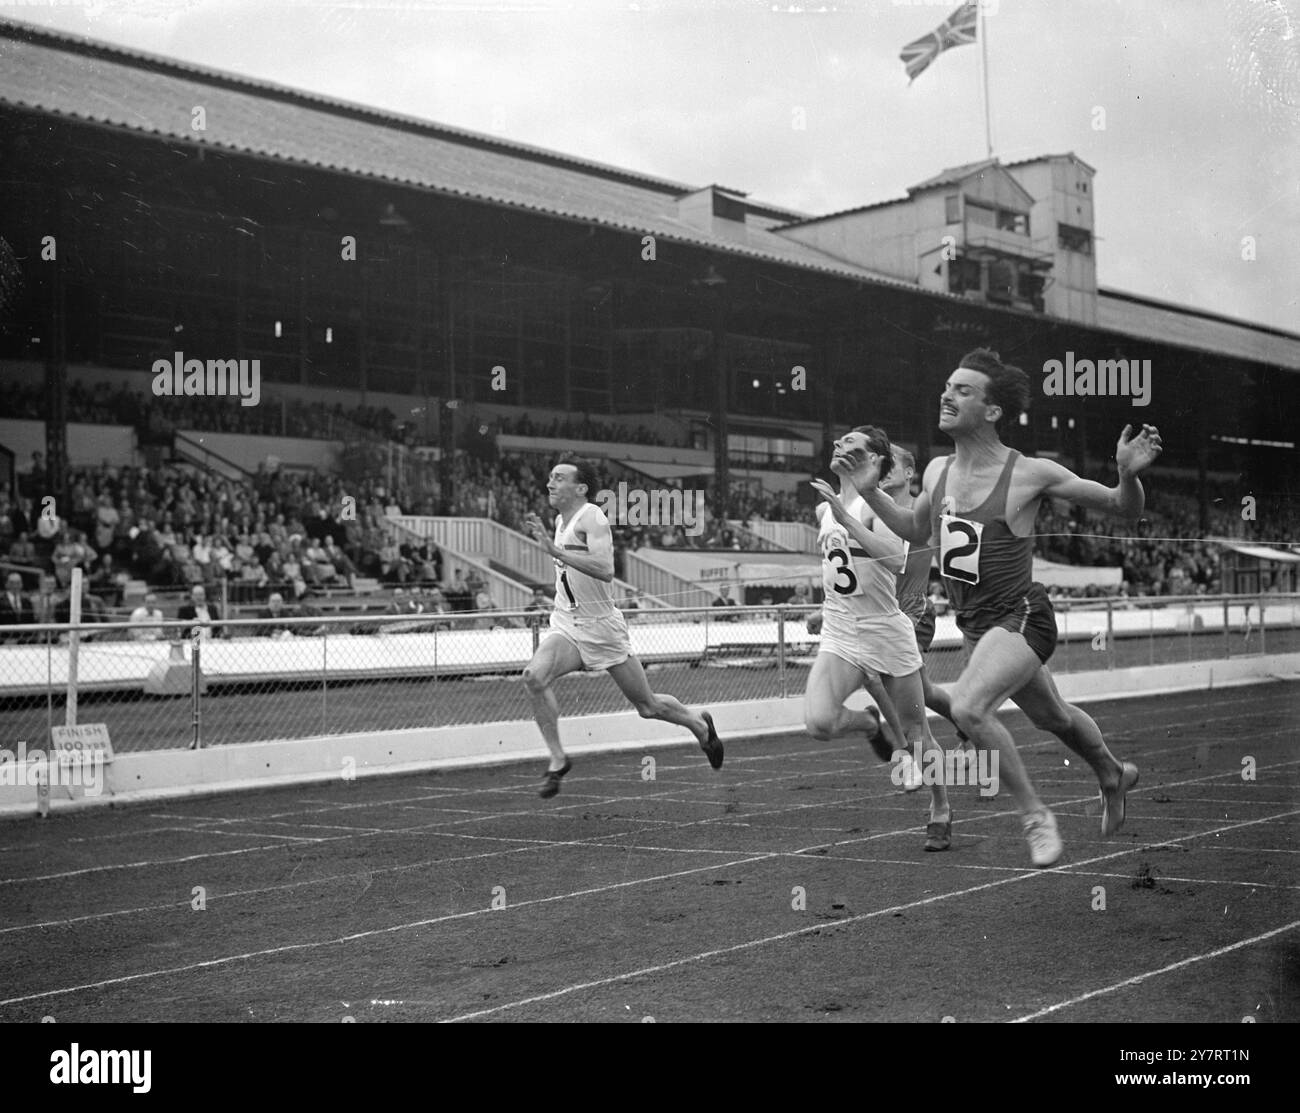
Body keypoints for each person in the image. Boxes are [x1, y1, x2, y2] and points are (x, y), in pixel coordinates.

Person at [857, 348, 1157, 867]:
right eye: (946, 386)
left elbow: (1121, 509)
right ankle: (1111, 772)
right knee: (1053, 717)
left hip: (1022, 616)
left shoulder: (1029, 473)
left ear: (992, 411)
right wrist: (869, 493)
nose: (947, 395)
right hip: (976, 627)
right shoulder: (935, 471)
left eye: (963, 390)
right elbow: (912, 529)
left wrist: (1127, 475)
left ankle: (1035, 815)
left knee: (971, 709)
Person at [521, 454, 723, 798]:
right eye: (550, 477)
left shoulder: (593, 517)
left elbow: (604, 569)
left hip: (602, 628)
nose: (550, 483)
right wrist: (553, 547)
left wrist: (553, 549)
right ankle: (557, 760)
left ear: (580, 487)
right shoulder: (559, 520)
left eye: (559, 477)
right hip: (568, 624)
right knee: (533, 677)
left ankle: (698, 724)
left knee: (648, 707)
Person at [806, 426, 952, 851]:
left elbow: (894, 560)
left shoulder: (877, 504)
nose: (839, 445)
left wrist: (848, 515)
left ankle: (940, 807)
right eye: (839, 441)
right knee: (818, 722)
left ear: (874, 461)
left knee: (917, 731)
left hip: (884, 627)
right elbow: (839, 568)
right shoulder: (822, 510)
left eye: (852, 444)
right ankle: (870, 723)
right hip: (840, 627)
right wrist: (822, 606)